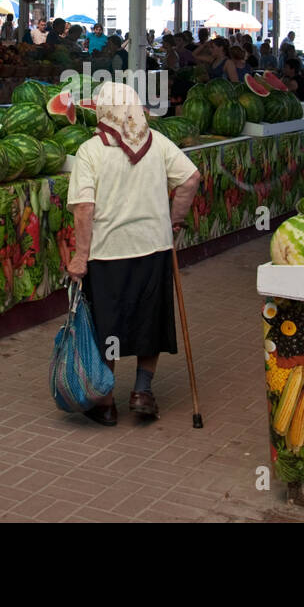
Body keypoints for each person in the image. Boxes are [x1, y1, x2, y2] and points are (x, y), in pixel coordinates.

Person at [65, 81, 202, 425]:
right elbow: (190, 179)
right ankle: (142, 392)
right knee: (148, 322)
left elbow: (84, 208)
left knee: (108, 327)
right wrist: (175, 221)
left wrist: (81, 256)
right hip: (154, 249)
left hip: (108, 254)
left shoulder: (90, 150)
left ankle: (107, 401)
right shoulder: (159, 145)